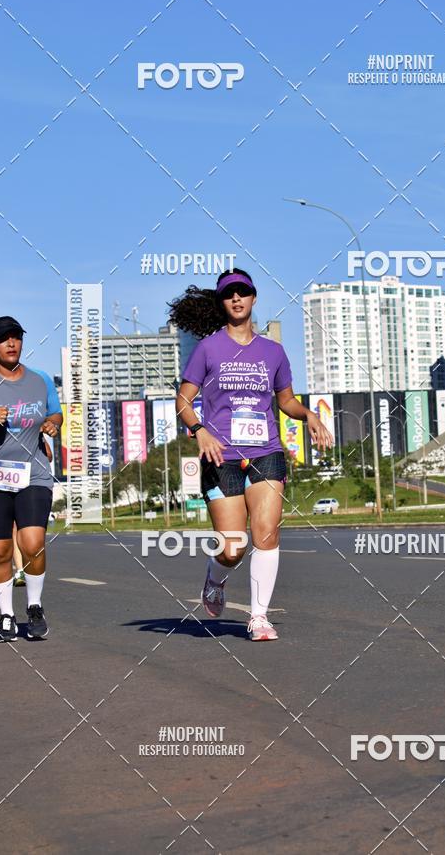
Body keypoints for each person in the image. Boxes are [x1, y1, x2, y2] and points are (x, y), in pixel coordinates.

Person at [172, 269, 333, 641]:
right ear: (222, 302)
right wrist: (199, 431)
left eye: (243, 292)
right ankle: (216, 576)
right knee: (232, 548)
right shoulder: (208, 349)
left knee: (266, 534)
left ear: (254, 298)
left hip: (266, 451)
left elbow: (286, 400)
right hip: (220, 455)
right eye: (229, 294)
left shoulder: (273, 352)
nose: (237, 298)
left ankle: (258, 617)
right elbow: (183, 400)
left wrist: (307, 414)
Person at [0, 317, 63, 642]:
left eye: (16, 337)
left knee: (33, 544)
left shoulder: (40, 380)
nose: (11, 343)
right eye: (3, 339)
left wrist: (52, 424)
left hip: (33, 473)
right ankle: (6, 614)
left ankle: (34, 607)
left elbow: (55, 412)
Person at [13, 432, 53, 586]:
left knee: (17, 530)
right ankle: (21, 569)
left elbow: (49, 455)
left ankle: (21, 570)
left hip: (27, 482)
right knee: (19, 531)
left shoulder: (32, 430)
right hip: (13, 482)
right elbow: (49, 455)